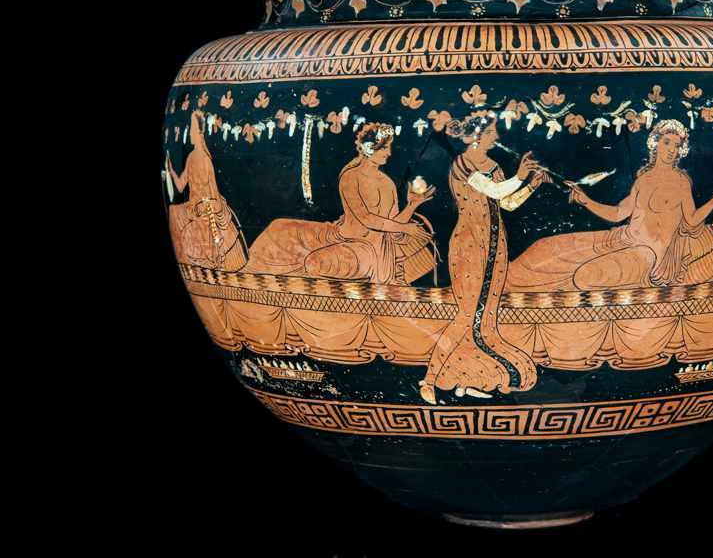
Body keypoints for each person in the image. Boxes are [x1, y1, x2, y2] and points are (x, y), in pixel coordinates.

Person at [505, 119, 713, 292]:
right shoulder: (643, 179)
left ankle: (529, 288)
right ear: (656, 144)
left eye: (676, 145)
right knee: (550, 247)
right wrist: (586, 200)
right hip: (624, 238)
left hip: (650, 257)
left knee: (586, 275)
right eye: (667, 143)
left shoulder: (681, 181)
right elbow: (618, 213)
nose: (671, 150)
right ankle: (510, 279)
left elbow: (692, 220)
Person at [419, 111, 552, 403]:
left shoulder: (493, 166)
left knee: (485, 316)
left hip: (494, 245)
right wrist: (521, 175)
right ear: (477, 136)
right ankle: (429, 380)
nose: (497, 137)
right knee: (467, 314)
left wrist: (532, 184)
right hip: (469, 244)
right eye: (492, 132)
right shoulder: (462, 164)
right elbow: (492, 189)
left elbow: (507, 203)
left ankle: (466, 379)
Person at [243, 123, 434, 283]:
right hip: (339, 235)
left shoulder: (388, 183)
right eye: (384, 148)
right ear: (369, 148)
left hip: (367, 249)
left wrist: (412, 205)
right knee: (279, 226)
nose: (389, 153)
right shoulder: (351, 176)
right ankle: (250, 273)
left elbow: (393, 223)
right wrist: (405, 228)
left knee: (314, 263)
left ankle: (287, 285)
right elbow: (366, 218)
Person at [166, 109, 247, 270]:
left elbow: (212, 192)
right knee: (173, 211)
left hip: (206, 206)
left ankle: (213, 258)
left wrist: (207, 207)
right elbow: (181, 187)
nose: (190, 133)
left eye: (193, 130)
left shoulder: (204, 159)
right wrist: (171, 171)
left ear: (199, 133)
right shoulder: (191, 157)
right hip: (196, 206)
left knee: (180, 217)